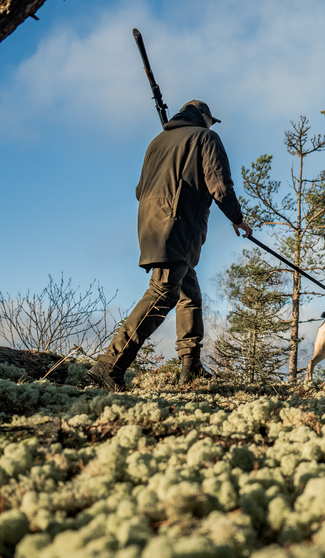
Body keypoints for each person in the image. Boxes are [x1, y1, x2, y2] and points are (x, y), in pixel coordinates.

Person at [86, 99, 252, 391]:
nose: (212, 124)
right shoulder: (205, 137)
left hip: (152, 224)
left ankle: (191, 368)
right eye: (211, 119)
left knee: (189, 293)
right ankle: (108, 366)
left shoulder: (156, 142)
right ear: (203, 116)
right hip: (177, 224)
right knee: (163, 292)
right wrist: (237, 219)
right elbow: (220, 186)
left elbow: (141, 190)